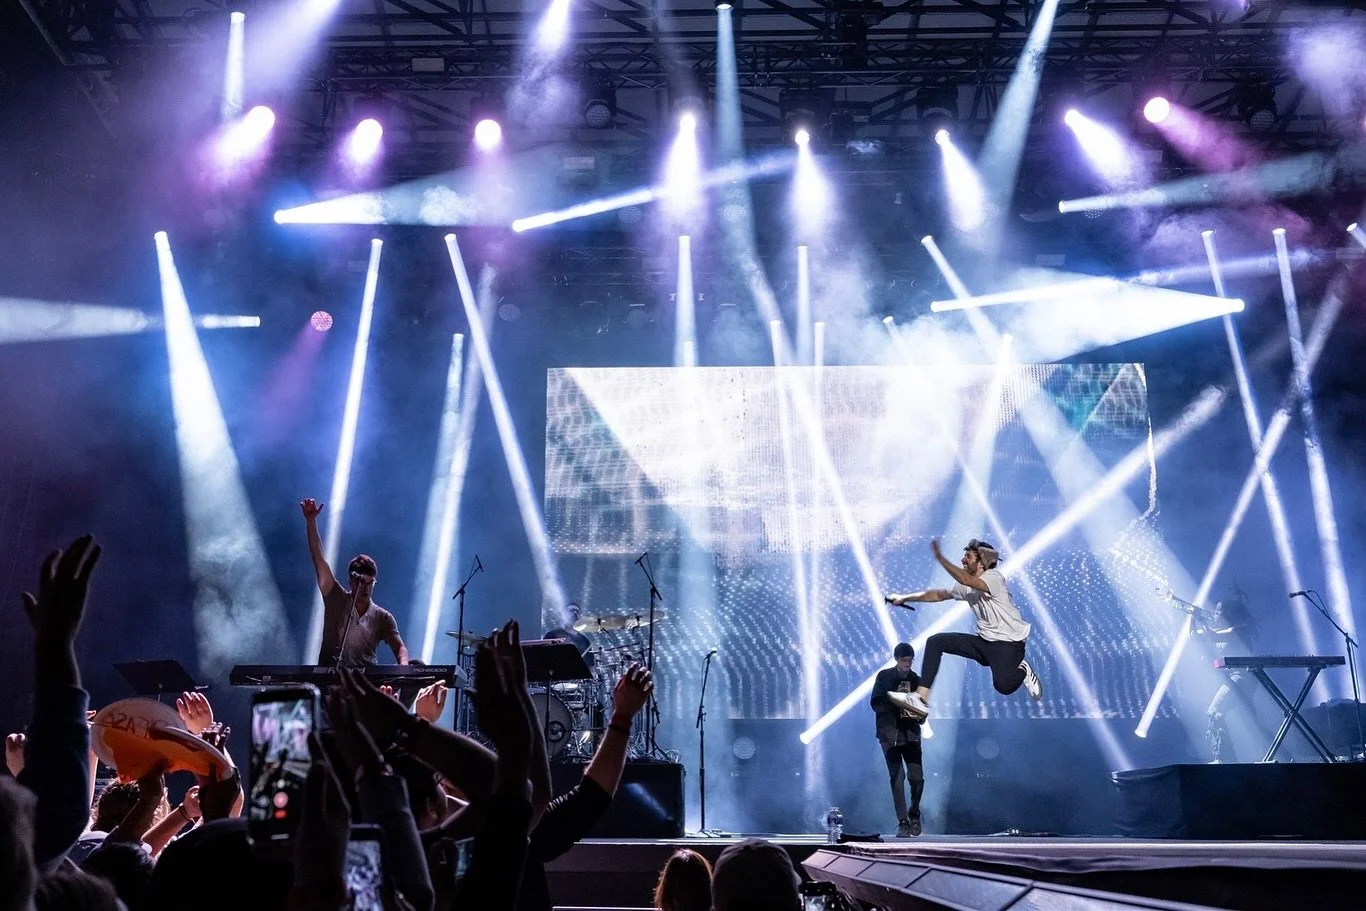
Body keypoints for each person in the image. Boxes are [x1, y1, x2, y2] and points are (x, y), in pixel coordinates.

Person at [886, 538, 1041, 719]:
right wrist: (905, 598)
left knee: (1003, 687)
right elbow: (938, 595)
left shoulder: (993, 578)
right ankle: (920, 699)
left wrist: (940, 558)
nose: (962, 560)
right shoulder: (965, 586)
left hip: (1009, 645)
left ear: (982, 563)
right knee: (936, 642)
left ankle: (1022, 668)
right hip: (985, 643)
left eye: (967, 556)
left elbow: (966, 579)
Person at [300, 498, 409, 667]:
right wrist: (311, 521)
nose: (365, 587)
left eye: (369, 583)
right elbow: (319, 560)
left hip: (365, 688)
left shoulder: (383, 617)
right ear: (351, 581)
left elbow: (400, 648)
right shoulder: (335, 597)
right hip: (331, 685)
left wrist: (403, 668)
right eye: (360, 582)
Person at [1194, 590, 1263, 762]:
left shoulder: (1239, 629)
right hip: (1239, 679)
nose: (1215, 613)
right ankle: (1279, 753)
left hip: (1241, 678)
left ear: (1228, 613)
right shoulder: (1225, 630)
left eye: (1218, 610)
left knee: (1214, 711)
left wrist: (1200, 618)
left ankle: (1225, 757)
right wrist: (1191, 617)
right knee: (1252, 724)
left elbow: (1212, 635)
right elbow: (1195, 637)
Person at [870, 643, 924, 837]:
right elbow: (875, 704)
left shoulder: (917, 680)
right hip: (889, 736)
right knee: (897, 777)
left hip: (910, 736)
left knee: (916, 778)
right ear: (897, 659)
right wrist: (896, 700)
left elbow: (924, 713)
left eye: (910, 660)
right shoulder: (884, 677)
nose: (907, 664)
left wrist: (914, 707)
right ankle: (903, 822)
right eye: (904, 660)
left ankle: (914, 812)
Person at [543, 601, 594, 666]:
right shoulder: (552, 636)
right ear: (563, 615)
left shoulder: (585, 641)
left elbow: (590, 667)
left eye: (577, 611)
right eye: (571, 610)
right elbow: (543, 660)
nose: (575, 613)